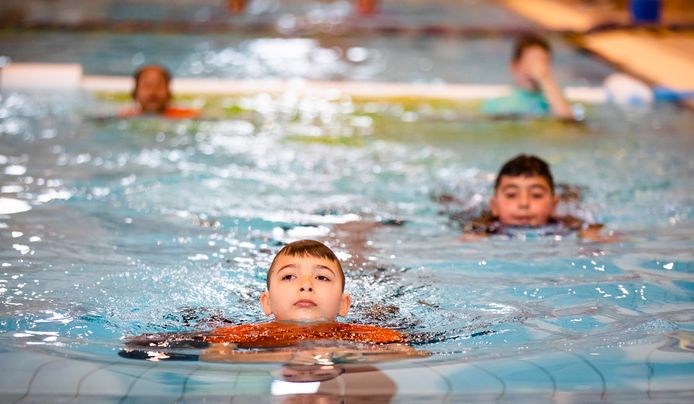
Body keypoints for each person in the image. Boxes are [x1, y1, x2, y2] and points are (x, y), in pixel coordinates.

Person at [123, 240, 426, 359]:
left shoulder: (363, 334)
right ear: (266, 303)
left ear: (343, 305)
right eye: (289, 277)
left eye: (321, 278)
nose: (306, 286)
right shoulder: (250, 333)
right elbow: (216, 355)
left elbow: (412, 354)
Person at [452, 155, 608, 241]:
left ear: (553, 205)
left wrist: (592, 236)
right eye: (511, 195)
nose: (524, 203)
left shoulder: (571, 225)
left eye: (536, 195)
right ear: (495, 206)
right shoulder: (481, 228)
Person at [482, 33, 574, 120]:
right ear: (515, 66)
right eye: (531, 61)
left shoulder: (556, 99)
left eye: (543, 62)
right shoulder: (497, 105)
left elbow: (568, 121)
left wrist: (545, 79)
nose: (538, 67)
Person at [119, 64, 200, 119]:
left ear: (169, 92)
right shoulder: (126, 118)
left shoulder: (186, 116)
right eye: (147, 86)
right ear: (135, 92)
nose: (153, 91)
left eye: (159, 85)